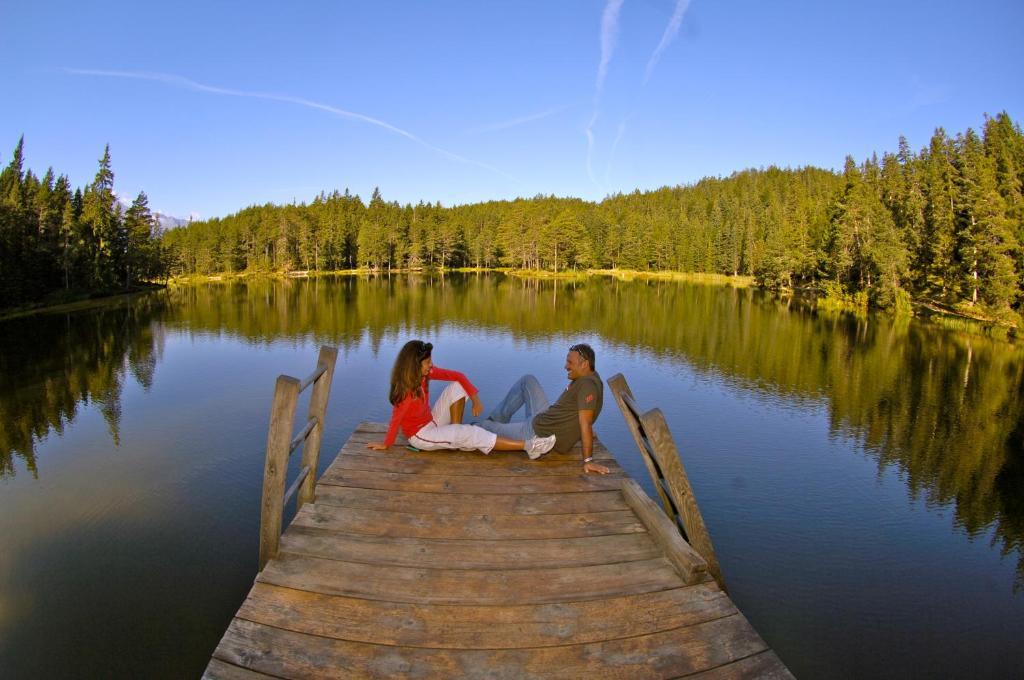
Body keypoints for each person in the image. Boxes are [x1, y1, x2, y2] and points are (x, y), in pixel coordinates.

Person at [367, 340, 557, 457]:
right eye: (427, 362)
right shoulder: (406, 392)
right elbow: (396, 420)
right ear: (414, 366)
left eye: (430, 360)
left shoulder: (425, 375)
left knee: (457, 387)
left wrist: (476, 400)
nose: (431, 364)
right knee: (470, 434)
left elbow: (458, 376)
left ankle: (454, 432)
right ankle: (528, 446)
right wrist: (386, 444)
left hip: (431, 422)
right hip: (421, 436)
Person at [477, 343, 610, 475]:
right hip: (546, 419)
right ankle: (497, 420)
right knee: (528, 380)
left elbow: (585, 422)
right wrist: (579, 432)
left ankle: (488, 425)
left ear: (585, 364)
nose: (565, 366)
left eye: (570, 362)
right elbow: (582, 414)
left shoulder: (587, 386)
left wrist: (588, 460)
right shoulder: (592, 378)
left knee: (483, 426)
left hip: (537, 433)